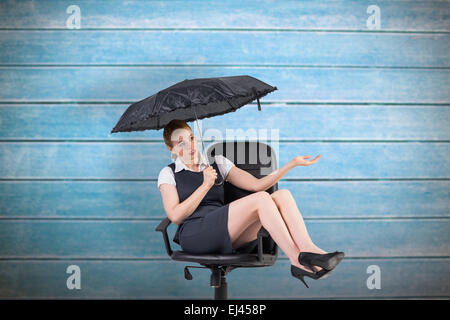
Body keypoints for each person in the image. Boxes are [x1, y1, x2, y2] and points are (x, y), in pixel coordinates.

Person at [157, 119, 344, 287]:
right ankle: (297, 261)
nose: (190, 145)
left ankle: (310, 251)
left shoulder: (217, 163)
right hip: (195, 235)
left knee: (282, 195)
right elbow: (175, 216)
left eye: (191, 138)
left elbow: (257, 185)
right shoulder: (169, 173)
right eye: (181, 142)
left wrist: (291, 164)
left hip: (225, 231)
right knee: (262, 199)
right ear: (171, 149)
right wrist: (205, 186)